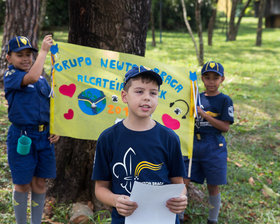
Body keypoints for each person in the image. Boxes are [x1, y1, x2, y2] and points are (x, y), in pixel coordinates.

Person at [91, 65, 188, 224]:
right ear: (124, 96)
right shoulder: (108, 138)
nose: (147, 98)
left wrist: (182, 197)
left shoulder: (169, 138)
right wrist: (116, 200)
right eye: (139, 91)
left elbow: (179, 184)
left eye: (153, 93)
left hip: (163, 219)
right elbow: (100, 188)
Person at [4, 35, 59, 224]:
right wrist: (43, 50)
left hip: (44, 138)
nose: (26, 58)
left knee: (40, 182)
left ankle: (36, 222)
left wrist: (55, 127)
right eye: (20, 55)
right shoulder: (11, 76)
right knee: (22, 184)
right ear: (8, 58)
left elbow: (49, 105)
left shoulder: (42, 80)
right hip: (22, 137)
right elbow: (32, 76)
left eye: (29, 54)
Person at [183, 61, 234, 224]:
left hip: (214, 146)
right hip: (193, 144)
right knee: (183, 180)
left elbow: (225, 127)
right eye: (207, 77)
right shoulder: (195, 97)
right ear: (202, 79)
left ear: (222, 79)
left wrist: (205, 115)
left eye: (215, 78)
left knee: (213, 185)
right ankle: (178, 217)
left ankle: (213, 219)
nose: (211, 81)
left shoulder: (225, 100)